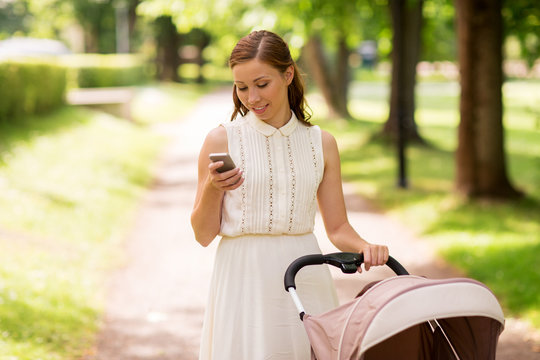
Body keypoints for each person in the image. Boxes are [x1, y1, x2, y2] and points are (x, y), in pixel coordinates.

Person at [191, 30, 389, 360]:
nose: (251, 98)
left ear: (288, 74)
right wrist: (213, 189)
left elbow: (338, 228)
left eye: (261, 84)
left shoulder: (321, 143)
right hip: (244, 278)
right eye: (242, 88)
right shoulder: (221, 140)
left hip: (305, 274)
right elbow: (202, 234)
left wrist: (366, 247)